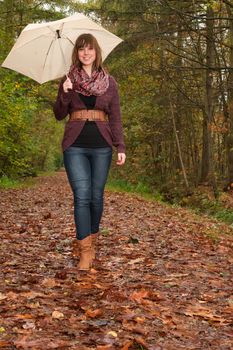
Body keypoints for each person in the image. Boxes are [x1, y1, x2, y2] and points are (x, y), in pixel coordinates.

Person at [53, 33, 126, 271]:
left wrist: (120, 146)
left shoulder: (110, 82)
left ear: (96, 52)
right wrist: (64, 93)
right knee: (82, 196)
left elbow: (115, 117)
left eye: (90, 49)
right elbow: (58, 114)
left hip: (102, 146)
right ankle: (85, 252)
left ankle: (92, 239)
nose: (86, 53)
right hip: (75, 145)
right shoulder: (68, 79)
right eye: (81, 49)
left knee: (96, 197)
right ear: (77, 53)